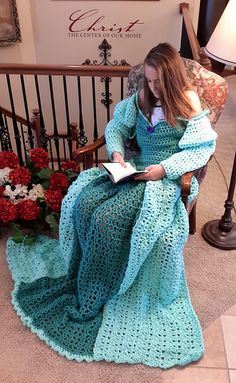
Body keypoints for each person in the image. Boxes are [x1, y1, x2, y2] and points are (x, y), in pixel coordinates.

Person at [7, 43, 217, 368]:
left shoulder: (188, 103)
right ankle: (80, 273)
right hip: (134, 170)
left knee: (107, 218)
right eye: (148, 81)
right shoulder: (141, 99)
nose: (153, 87)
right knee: (85, 202)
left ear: (173, 78)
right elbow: (116, 128)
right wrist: (118, 155)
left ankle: (98, 288)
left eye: (159, 81)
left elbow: (199, 151)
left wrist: (161, 171)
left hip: (162, 181)